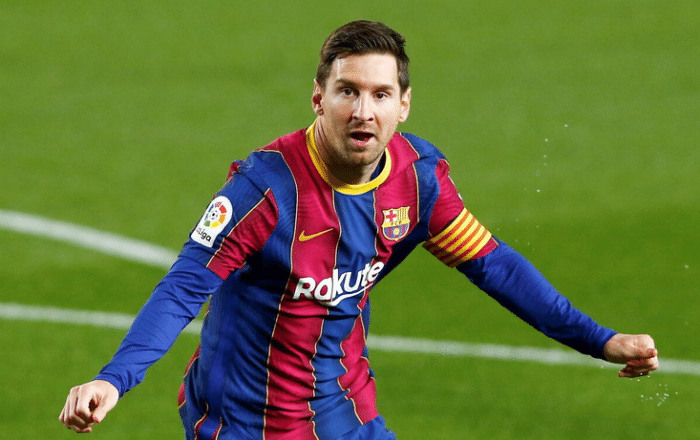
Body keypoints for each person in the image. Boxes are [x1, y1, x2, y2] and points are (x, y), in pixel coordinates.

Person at [59, 20, 659, 439]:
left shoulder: (418, 182)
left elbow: (493, 265)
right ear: (318, 99)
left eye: (380, 94)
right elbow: (185, 287)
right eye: (347, 91)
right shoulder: (263, 190)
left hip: (345, 410)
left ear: (404, 105)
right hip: (246, 420)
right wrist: (114, 380)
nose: (362, 111)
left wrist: (600, 340)